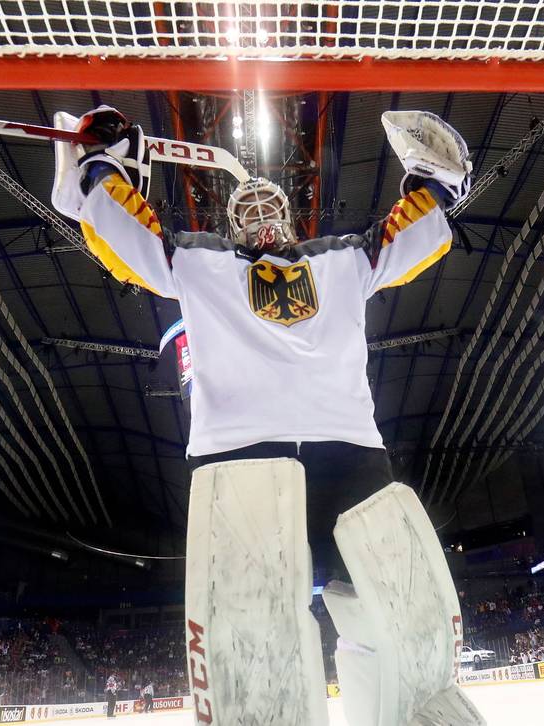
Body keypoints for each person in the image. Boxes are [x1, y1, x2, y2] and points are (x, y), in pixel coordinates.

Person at [54, 106, 479, 726]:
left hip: (344, 453)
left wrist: (436, 186)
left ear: (289, 215)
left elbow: (409, 236)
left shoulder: (342, 258)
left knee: (394, 613)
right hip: (246, 457)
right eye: (247, 209)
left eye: (268, 205)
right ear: (233, 223)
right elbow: (131, 239)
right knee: (256, 632)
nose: (260, 216)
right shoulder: (199, 261)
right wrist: (100, 168)